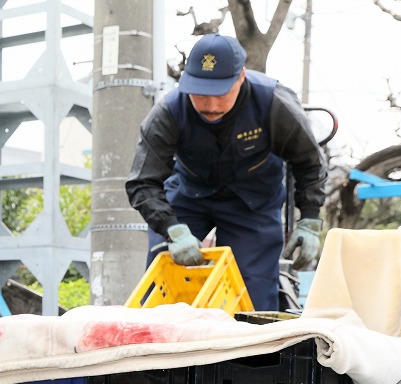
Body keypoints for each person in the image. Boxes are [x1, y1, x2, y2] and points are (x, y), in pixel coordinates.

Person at [125, 33, 328, 311]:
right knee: (172, 283)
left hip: (253, 201)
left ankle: (252, 353)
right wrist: (170, 228)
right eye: (200, 94)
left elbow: (309, 162)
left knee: (252, 297)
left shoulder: (274, 103)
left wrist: (310, 219)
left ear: (241, 77)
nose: (210, 106)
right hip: (188, 195)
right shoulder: (169, 111)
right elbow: (142, 182)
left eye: (220, 94)